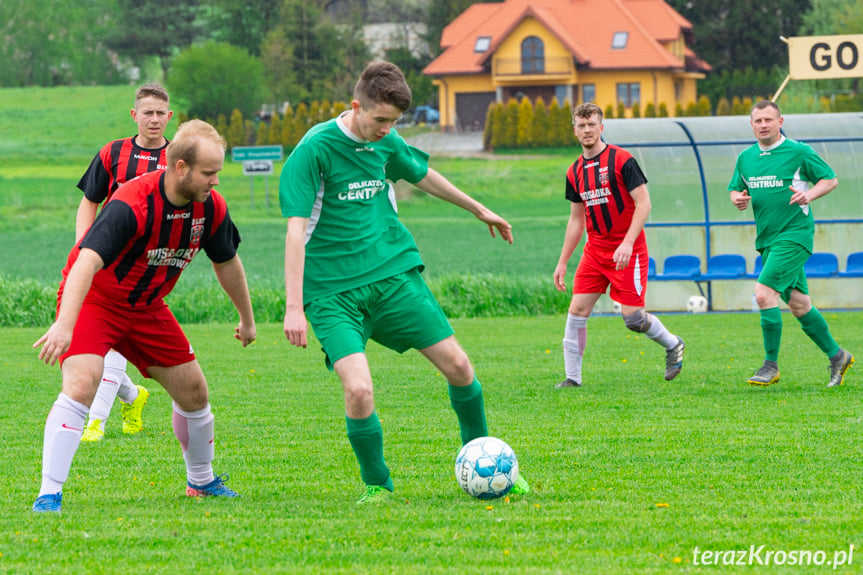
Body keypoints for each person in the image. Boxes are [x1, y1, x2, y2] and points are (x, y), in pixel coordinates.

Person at [279, 61, 528, 504]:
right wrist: (294, 306)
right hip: (332, 292)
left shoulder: (386, 141)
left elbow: (422, 174)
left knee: (460, 367)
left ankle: (483, 456)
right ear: (356, 106)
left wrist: (478, 208)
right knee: (358, 389)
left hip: (393, 276)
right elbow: (295, 230)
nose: (387, 131)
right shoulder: (314, 149)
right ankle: (378, 486)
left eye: (394, 123)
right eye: (380, 121)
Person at [32, 119, 256, 513]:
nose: (216, 181)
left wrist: (247, 318)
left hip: (147, 308)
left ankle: (201, 481)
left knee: (194, 393)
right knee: (83, 383)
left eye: (218, 172)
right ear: (181, 168)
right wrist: (65, 324)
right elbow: (86, 262)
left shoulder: (211, 208)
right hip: (96, 301)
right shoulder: (132, 203)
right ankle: (49, 493)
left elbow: (228, 262)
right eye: (209, 172)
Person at [553, 103, 685, 388]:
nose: (587, 130)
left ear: (601, 127)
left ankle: (673, 344)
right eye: (581, 125)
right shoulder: (574, 171)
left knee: (633, 319)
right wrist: (563, 261)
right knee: (576, 310)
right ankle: (572, 379)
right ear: (574, 130)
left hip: (629, 251)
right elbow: (576, 220)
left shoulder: (622, 160)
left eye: (592, 125)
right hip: (595, 252)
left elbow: (644, 203)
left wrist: (627, 243)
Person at [728, 100, 853, 387]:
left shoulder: (798, 151)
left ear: (780, 121)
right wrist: (737, 198)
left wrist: (809, 195)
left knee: (763, 294)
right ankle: (837, 356)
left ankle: (770, 366)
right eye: (758, 120)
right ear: (751, 124)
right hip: (768, 240)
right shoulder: (746, 157)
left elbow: (830, 180)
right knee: (799, 305)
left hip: (794, 236)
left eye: (768, 120)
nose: (763, 125)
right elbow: (736, 188)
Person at [75, 83, 175, 442]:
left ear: (170, 117)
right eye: (146, 112)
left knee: (113, 342)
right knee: (104, 340)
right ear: (135, 115)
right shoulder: (113, 152)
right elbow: (90, 199)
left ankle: (95, 423)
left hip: (149, 268)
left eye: (160, 113)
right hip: (106, 258)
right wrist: (83, 249)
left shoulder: (178, 157)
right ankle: (133, 396)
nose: (153, 119)